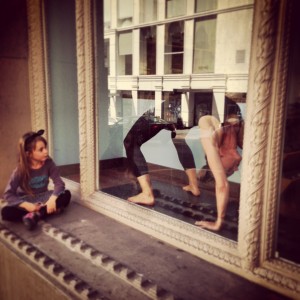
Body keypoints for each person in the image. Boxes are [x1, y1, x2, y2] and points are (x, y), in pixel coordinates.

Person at [124, 113, 200, 206]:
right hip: (168, 116)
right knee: (179, 141)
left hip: (153, 116)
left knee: (130, 142)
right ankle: (194, 185)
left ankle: (147, 193)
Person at [1, 130, 71, 230]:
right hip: (26, 200)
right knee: (6, 212)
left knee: (66, 195)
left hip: (43, 198)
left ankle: (35, 215)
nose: (46, 151)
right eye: (41, 149)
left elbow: (59, 183)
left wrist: (52, 199)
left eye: (45, 148)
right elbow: (8, 194)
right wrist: (26, 205)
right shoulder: (20, 170)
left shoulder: (49, 163)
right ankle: (41, 213)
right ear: (29, 154)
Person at [195, 112, 244, 231]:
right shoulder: (239, 138)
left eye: (228, 170)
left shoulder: (210, 145)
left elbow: (222, 185)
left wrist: (218, 222)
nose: (236, 168)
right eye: (233, 169)